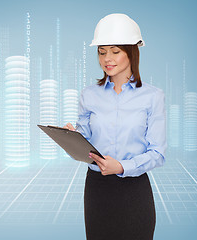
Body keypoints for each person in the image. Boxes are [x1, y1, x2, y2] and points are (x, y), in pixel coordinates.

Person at [63, 13, 166, 240]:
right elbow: (86, 139)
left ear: (131, 52)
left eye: (115, 51)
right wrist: (73, 138)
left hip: (134, 191)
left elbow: (157, 153)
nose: (106, 59)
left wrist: (121, 167)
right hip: (97, 190)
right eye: (101, 52)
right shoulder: (89, 94)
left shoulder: (153, 97)